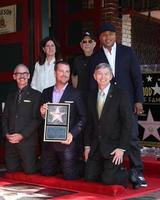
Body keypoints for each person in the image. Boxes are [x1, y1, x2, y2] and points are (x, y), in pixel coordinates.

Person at [88, 23, 147, 188]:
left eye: (111, 34)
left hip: (127, 100)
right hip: (107, 104)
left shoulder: (127, 52)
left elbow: (136, 76)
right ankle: (115, 167)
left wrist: (138, 100)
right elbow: (92, 83)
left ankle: (137, 171)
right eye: (104, 34)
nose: (108, 37)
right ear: (100, 38)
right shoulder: (96, 56)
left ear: (116, 35)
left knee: (133, 137)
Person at [84, 63, 132, 187]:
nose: (103, 77)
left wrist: (121, 148)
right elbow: (89, 124)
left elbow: (128, 123)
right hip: (96, 147)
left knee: (108, 180)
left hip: (114, 147)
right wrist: (87, 146)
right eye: (99, 74)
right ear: (94, 76)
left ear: (111, 76)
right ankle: (105, 169)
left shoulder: (121, 94)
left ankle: (126, 174)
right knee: (89, 177)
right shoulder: (90, 96)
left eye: (106, 74)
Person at [40, 61, 86, 180]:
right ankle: (61, 164)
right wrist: (42, 113)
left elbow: (83, 117)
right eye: (61, 71)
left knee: (70, 176)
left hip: (67, 142)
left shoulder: (76, 93)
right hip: (49, 142)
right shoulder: (46, 92)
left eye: (67, 71)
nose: (65, 74)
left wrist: (72, 134)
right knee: (46, 173)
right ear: (55, 73)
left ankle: (83, 166)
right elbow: (42, 117)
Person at [2, 64, 41, 174]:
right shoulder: (10, 96)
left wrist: (22, 135)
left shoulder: (37, 95)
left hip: (27, 142)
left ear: (29, 76)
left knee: (30, 171)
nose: (22, 76)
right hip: (10, 143)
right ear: (14, 76)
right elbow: (4, 118)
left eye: (25, 73)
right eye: (19, 73)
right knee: (11, 172)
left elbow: (37, 119)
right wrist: (6, 134)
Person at [71, 31, 96, 96]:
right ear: (81, 45)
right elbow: (74, 76)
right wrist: (75, 92)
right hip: (80, 95)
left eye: (90, 41)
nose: (87, 44)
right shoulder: (77, 60)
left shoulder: (99, 58)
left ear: (94, 44)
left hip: (95, 96)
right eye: (84, 42)